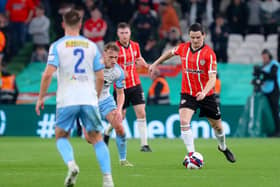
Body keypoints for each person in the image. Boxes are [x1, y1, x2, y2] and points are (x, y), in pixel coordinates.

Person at [35, 10, 114, 187]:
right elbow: (101, 77)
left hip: (67, 98)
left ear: (63, 24)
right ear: (81, 25)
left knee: (61, 136)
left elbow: (48, 74)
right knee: (97, 138)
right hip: (88, 98)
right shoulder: (92, 46)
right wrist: (96, 95)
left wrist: (41, 98)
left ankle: (71, 165)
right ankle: (108, 179)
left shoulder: (57, 46)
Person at [149, 23, 236, 163]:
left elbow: (213, 78)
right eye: (192, 37)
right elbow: (170, 53)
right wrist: (155, 63)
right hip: (188, 94)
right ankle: (191, 155)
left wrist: (204, 91)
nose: (195, 40)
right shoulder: (183, 48)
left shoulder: (210, 54)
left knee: (218, 127)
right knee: (183, 120)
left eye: (198, 37)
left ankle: (223, 147)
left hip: (206, 95)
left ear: (204, 36)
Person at [104, 22, 152, 152]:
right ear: (118, 34)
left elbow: (138, 58)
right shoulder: (114, 48)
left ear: (130, 33)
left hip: (135, 84)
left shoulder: (135, 46)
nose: (124, 36)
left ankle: (144, 145)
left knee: (141, 112)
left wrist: (147, 66)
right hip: (121, 87)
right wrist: (119, 71)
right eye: (122, 33)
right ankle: (107, 132)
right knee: (120, 117)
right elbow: (109, 63)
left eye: (126, 33)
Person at [92, 42, 133, 166]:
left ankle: (123, 160)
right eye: (111, 57)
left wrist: (119, 109)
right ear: (104, 55)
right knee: (90, 138)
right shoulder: (93, 66)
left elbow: (120, 94)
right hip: (89, 102)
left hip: (105, 100)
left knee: (120, 128)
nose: (114, 60)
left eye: (116, 57)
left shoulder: (118, 71)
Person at [259, 49, 280, 136]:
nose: (264, 59)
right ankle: (270, 130)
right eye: (263, 57)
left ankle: (278, 130)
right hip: (265, 90)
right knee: (268, 112)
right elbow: (263, 78)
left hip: (274, 90)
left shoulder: (274, 65)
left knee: (275, 111)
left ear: (269, 57)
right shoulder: (263, 66)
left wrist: (262, 72)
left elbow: (272, 76)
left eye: (265, 57)